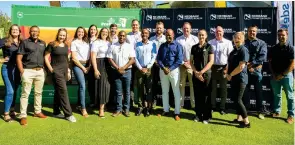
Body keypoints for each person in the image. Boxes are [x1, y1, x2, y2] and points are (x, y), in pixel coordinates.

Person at [16, 25, 47, 126]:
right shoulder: (25, 42)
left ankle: (37, 111)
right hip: (28, 71)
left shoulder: (43, 43)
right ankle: (23, 115)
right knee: (25, 94)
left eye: (36, 31)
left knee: (39, 93)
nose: (34, 33)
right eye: (32, 31)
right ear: (30, 32)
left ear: (39, 32)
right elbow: (19, 58)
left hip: (40, 71)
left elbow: (45, 57)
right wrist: (22, 72)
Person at [44, 28, 76, 122]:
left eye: (64, 35)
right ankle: (68, 114)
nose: (62, 37)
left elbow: (66, 60)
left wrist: (69, 71)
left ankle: (56, 112)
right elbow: (46, 57)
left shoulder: (66, 45)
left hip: (65, 71)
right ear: (58, 35)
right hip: (56, 71)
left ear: (65, 36)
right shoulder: (52, 44)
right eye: (60, 35)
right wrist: (51, 69)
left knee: (58, 91)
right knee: (63, 91)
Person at [268, 28, 294, 124]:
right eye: (279, 35)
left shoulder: (291, 48)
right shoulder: (273, 48)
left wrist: (282, 75)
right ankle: (277, 111)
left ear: (287, 35)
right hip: (275, 76)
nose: (281, 37)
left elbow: (292, 64)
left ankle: (291, 115)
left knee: (290, 96)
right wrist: (274, 74)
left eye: (283, 35)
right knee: (277, 95)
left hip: (287, 76)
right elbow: (270, 63)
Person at [156, 29, 183, 121]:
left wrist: (170, 69)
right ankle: (166, 110)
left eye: (170, 35)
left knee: (176, 92)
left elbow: (179, 60)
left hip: (174, 71)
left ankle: (177, 112)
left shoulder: (178, 46)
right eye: (167, 35)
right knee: (165, 91)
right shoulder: (162, 46)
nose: (168, 36)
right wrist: (163, 68)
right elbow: (158, 59)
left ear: (173, 35)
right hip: (163, 71)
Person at [107, 30, 135, 117]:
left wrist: (123, 68)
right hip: (116, 71)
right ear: (118, 36)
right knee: (118, 91)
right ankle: (118, 109)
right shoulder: (113, 46)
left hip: (127, 71)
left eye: (123, 36)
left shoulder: (129, 46)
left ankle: (126, 109)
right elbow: (110, 59)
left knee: (127, 91)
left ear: (125, 37)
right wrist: (118, 68)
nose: (122, 37)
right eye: (120, 36)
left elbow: (132, 59)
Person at [226, 31, 250, 128]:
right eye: (235, 37)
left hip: (241, 79)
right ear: (233, 39)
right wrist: (227, 72)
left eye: (239, 37)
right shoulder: (233, 51)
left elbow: (241, 67)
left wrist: (230, 74)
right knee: (236, 100)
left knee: (238, 100)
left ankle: (247, 122)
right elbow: (230, 64)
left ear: (243, 39)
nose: (237, 39)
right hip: (234, 79)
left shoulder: (243, 50)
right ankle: (239, 118)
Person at [208, 26, 233, 115]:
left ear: (223, 32)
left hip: (224, 68)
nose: (218, 33)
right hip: (213, 68)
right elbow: (208, 57)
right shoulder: (210, 42)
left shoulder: (228, 43)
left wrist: (227, 69)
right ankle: (212, 107)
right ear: (214, 33)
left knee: (223, 89)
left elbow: (230, 58)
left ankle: (222, 108)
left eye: (220, 31)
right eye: (217, 31)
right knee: (213, 89)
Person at [190, 29, 214, 124]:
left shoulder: (209, 47)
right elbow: (191, 62)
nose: (201, 37)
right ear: (197, 36)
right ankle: (198, 115)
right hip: (196, 75)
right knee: (197, 95)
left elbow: (211, 61)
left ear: (206, 36)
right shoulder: (194, 47)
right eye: (199, 35)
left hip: (206, 75)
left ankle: (207, 116)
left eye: (203, 35)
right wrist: (196, 72)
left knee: (206, 96)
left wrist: (201, 72)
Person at [244, 25, 267, 119]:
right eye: (250, 31)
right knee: (246, 91)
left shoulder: (262, 43)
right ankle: (245, 109)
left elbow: (262, 57)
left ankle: (260, 110)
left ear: (256, 32)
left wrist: (251, 64)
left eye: (253, 31)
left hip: (256, 71)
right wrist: (247, 66)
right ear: (247, 32)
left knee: (258, 91)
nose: (252, 33)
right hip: (245, 71)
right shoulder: (243, 42)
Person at [0, 24, 22, 122]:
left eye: (16, 29)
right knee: (10, 91)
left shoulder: (22, 42)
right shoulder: (4, 40)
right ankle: (6, 114)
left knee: (15, 90)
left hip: (18, 70)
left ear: (19, 31)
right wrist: (1, 60)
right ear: (10, 31)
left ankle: (12, 110)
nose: (14, 31)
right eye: (13, 29)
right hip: (7, 68)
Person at [134, 28, 157, 117]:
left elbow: (154, 56)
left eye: (146, 33)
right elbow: (135, 57)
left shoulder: (152, 44)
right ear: (141, 34)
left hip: (149, 70)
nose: (144, 34)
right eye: (143, 33)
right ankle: (140, 107)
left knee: (149, 89)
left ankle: (148, 108)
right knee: (140, 89)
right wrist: (140, 68)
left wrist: (147, 67)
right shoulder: (137, 44)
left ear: (149, 34)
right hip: (139, 69)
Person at [176, 22, 199, 109]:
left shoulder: (195, 39)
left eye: (188, 28)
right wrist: (183, 62)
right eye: (184, 28)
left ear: (191, 29)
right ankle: (181, 104)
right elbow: (176, 54)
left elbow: (197, 53)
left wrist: (190, 63)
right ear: (182, 29)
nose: (186, 30)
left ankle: (194, 105)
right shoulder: (178, 40)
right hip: (181, 65)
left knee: (193, 85)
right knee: (181, 85)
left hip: (192, 65)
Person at [91, 27, 112, 118]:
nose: (105, 33)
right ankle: (101, 109)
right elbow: (93, 56)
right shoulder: (96, 42)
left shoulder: (109, 43)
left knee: (107, 86)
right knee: (102, 87)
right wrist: (95, 69)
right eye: (103, 31)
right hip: (100, 64)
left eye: (106, 32)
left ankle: (105, 105)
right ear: (100, 33)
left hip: (109, 64)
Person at [71, 26, 91, 117]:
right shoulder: (74, 42)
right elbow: (74, 59)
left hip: (87, 65)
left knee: (81, 86)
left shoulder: (87, 42)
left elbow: (90, 55)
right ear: (76, 32)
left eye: (82, 32)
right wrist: (83, 68)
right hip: (78, 66)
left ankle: (79, 105)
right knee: (83, 85)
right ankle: (83, 108)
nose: (81, 33)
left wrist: (89, 66)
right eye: (79, 32)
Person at [149, 21, 166, 111]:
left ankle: (165, 102)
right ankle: (154, 101)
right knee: (154, 84)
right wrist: (154, 61)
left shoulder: (166, 39)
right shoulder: (151, 39)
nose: (159, 29)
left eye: (160, 28)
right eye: (157, 28)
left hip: (163, 65)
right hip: (154, 65)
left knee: (165, 84)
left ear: (163, 29)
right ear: (155, 28)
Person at [127, 19, 142, 108]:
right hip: (130, 62)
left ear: (139, 26)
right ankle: (131, 102)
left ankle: (140, 102)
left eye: (136, 25)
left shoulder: (142, 35)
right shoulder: (128, 36)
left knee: (139, 83)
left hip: (140, 62)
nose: (135, 26)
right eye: (133, 25)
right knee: (130, 83)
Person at [87, 24, 98, 108]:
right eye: (91, 29)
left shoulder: (98, 40)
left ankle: (96, 101)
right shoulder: (86, 40)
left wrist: (92, 65)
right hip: (86, 64)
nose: (92, 31)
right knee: (90, 84)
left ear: (96, 31)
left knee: (96, 83)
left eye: (94, 29)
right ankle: (92, 101)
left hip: (95, 64)